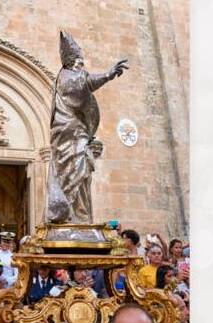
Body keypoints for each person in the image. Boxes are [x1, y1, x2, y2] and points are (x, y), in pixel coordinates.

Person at [45, 31, 128, 223]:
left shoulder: (67, 76)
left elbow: (85, 83)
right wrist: (108, 74)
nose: (82, 67)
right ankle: (73, 214)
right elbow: (85, 83)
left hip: (74, 132)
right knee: (75, 169)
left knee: (80, 172)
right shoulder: (67, 77)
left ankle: (79, 216)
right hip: (69, 133)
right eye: (80, 63)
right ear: (71, 63)